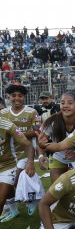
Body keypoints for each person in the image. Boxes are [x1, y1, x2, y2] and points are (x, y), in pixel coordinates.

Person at [1, 84, 39, 220]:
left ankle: (31, 201)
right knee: (8, 185)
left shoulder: (32, 112)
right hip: (8, 154)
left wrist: (17, 134)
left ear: (24, 97)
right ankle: (13, 209)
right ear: (8, 97)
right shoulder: (3, 113)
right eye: (13, 96)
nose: (17, 98)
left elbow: (37, 131)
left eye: (20, 95)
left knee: (15, 180)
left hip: (25, 151)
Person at [39, 91, 75, 183]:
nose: (65, 105)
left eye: (70, 103)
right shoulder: (51, 121)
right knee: (57, 188)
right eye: (62, 103)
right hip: (58, 157)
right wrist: (41, 155)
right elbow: (41, 141)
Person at [0, 116, 35, 223]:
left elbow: (28, 145)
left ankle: (31, 200)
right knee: (7, 192)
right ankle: (14, 210)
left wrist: (30, 162)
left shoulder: (7, 124)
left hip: (8, 167)